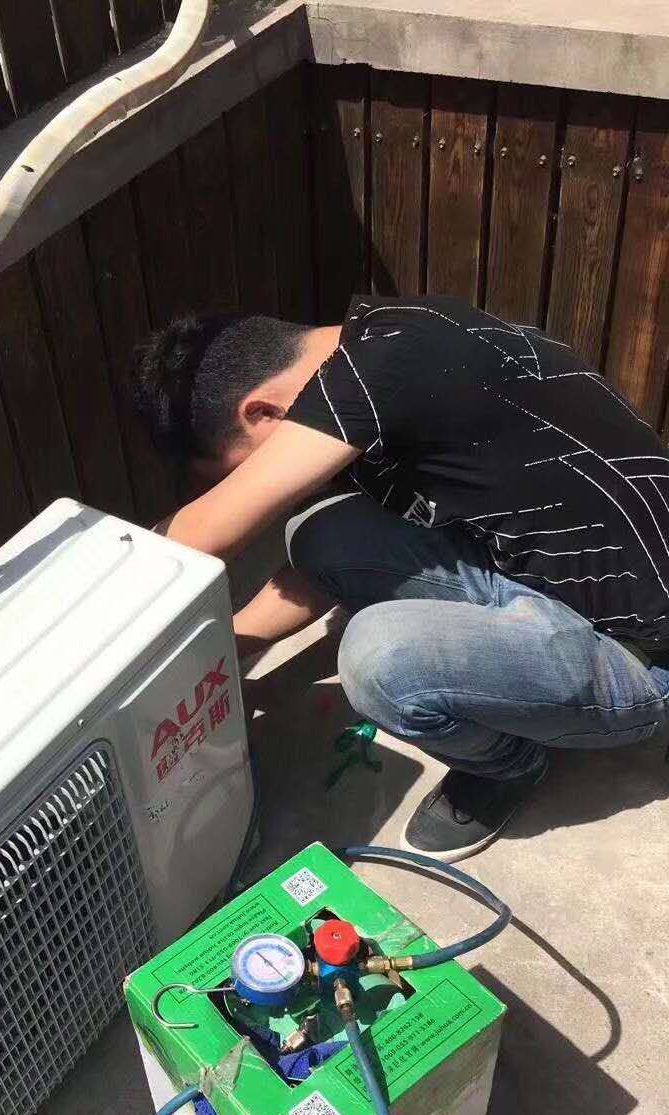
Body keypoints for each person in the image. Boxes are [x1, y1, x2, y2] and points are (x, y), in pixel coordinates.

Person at [132, 298, 669, 860]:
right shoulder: (376, 343)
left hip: (642, 650)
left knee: (378, 660)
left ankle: (511, 762)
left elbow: (199, 535)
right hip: (537, 575)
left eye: (245, 471)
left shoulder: (386, 371)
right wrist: (222, 665)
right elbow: (323, 571)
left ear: (263, 412)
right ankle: (515, 679)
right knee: (321, 531)